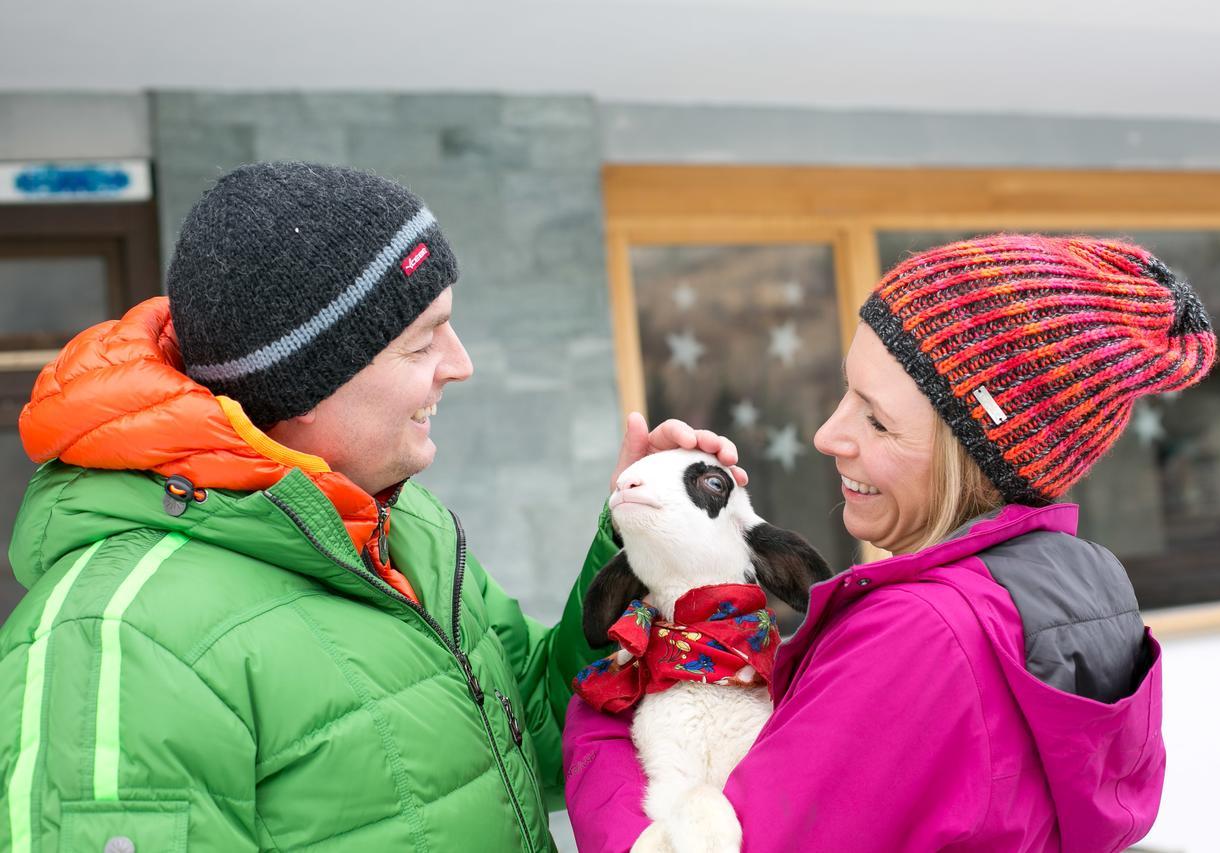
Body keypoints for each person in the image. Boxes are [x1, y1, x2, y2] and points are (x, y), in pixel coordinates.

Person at [0, 162, 742, 852]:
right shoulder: (118, 638)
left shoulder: (403, 529)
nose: (461, 363)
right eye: (422, 344)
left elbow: (543, 739)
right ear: (305, 381)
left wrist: (640, 544)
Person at [562, 234, 1217, 852]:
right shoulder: (1074, 587)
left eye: (876, 419)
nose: (828, 434)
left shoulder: (920, 634)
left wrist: (612, 705)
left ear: (975, 452)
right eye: (847, 390)